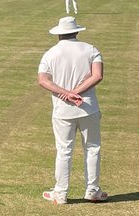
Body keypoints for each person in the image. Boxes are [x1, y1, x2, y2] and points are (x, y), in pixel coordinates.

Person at [37, 16, 108, 204]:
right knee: (92, 148)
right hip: (88, 108)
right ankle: (92, 190)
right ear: (76, 31)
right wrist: (75, 93)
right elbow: (97, 75)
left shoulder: (50, 54)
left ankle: (60, 193)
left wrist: (67, 94)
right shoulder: (91, 49)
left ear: (59, 34)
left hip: (63, 111)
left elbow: (43, 80)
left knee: (64, 150)